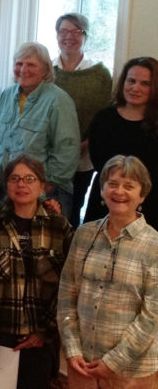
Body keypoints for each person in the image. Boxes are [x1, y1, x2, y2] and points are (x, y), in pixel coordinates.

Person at [0, 155, 73, 389]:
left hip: (40, 337)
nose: (22, 184)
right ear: (6, 185)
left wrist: (44, 331)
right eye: (15, 178)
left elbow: (69, 286)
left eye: (30, 178)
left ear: (42, 186)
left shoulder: (59, 226)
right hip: (0, 333)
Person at [58, 155, 158, 389]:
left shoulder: (154, 245)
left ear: (142, 195)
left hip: (132, 373)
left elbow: (152, 316)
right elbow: (66, 296)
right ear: (101, 191)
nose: (119, 191)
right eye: (112, 184)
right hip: (82, 366)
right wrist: (72, 350)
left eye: (129, 186)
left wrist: (114, 361)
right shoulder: (83, 235)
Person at [0, 42, 80, 218]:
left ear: (45, 70)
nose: (23, 69)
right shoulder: (6, 95)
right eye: (19, 64)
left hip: (42, 195)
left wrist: (44, 186)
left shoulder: (58, 100)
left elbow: (67, 151)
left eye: (31, 65)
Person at [52, 13, 113, 226]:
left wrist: (85, 145)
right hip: (49, 157)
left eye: (76, 32)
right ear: (57, 35)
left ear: (85, 37)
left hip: (82, 159)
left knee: (72, 210)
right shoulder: (46, 72)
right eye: (63, 31)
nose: (69, 37)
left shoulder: (100, 75)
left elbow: (105, 118)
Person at [86, 57, 158, 225]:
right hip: (106, 200)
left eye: (145, 83)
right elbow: (99, 164)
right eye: (131, 81)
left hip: (150, 203)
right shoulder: (103, 119)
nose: (135, 88)